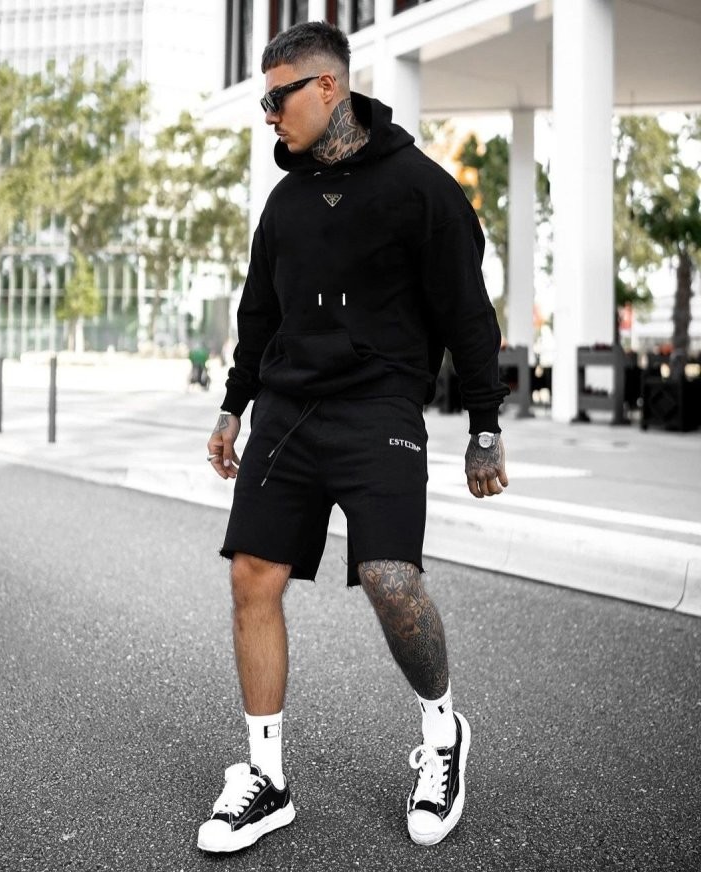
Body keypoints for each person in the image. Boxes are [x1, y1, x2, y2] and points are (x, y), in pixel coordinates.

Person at [198, 21, 509, 854]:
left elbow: (469, 316)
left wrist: (484, 426)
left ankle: (442, 734)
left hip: (379, 409)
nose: (269, 115)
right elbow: (259, 315)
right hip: (289, 409)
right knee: (253, 575)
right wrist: (233, 406)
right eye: (264, 101)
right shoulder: (285, 202)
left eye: (278, 98)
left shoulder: (421, 189)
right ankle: (265, 777)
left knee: (388, 578)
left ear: (328, 86)